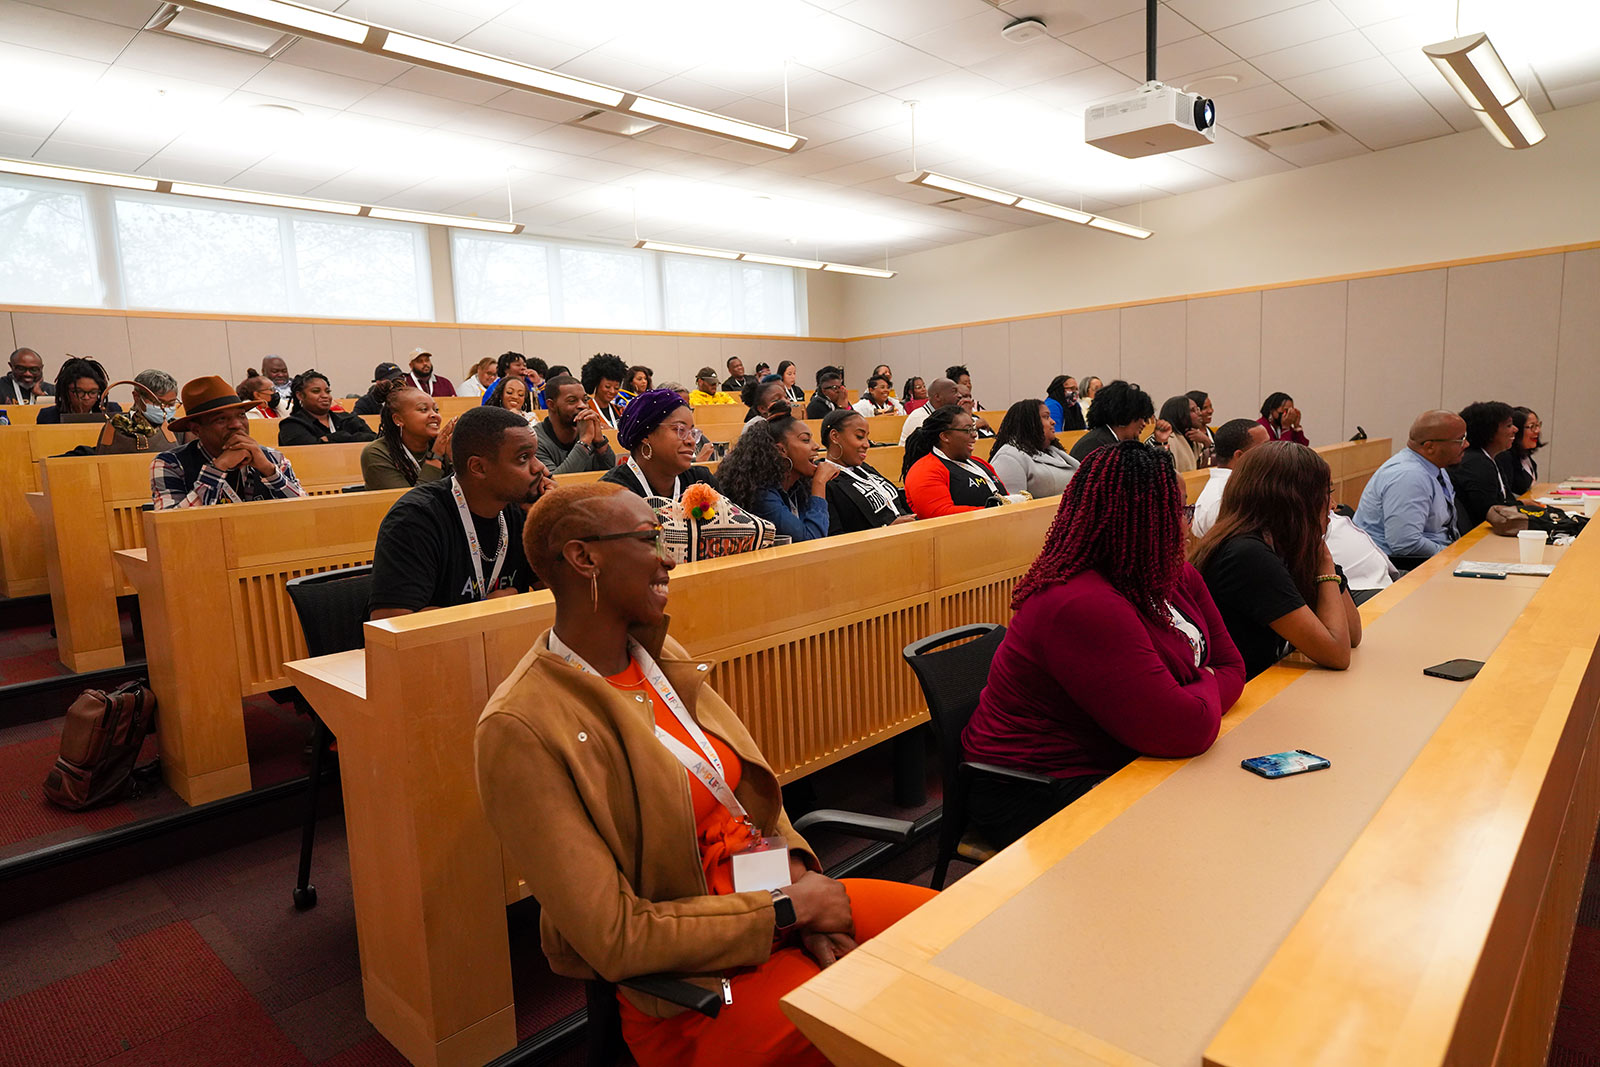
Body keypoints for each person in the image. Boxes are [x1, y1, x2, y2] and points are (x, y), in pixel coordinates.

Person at [475, 482, 936, 1067]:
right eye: (650, 539)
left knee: (958, 940)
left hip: (764, 904)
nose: (669, 556)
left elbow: (745, 813)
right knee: (903, 1025)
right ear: (583, 557)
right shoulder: (521, 726)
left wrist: (795, 885)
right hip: (694, 988)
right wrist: (787, 912)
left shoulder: (661, 659)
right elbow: (616, 936)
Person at [961, 441, 1245, 848]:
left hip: (1122, 753)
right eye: (1178, 512)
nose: (1186, 525)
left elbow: (1234, 665)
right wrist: (1203, 685)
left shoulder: (1174, 575)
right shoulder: (1080, 602)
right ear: (1148, 521)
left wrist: (1193, 692)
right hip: (1036, 787)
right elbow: (1184, 729)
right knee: (1208, 837)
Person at [1191, 442, 1363, 680]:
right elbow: (1337, 653)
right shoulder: (1247, 554)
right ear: (1294, 500)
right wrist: (1324, 563)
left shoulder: (1283, 545)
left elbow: (1354, 634)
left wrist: (1318, 556)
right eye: (1326, 494)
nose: (1333, 506)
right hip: (1242, 699)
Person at [368, 406, 552, 619]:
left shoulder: (522, 511)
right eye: (523, 458)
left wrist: (552, 522)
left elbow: (563, 596)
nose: (539, 468)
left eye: (535, 455)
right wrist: (486, 611)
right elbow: (392, 622)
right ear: (478, 468)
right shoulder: (414, 520)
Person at [151, 375, 305, 509]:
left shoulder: (272, 458)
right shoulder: (171, 464)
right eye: (221, 419)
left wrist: (269, 470)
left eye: (241, 415)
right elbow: (172, 524)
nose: (237, 425)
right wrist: (217, 468)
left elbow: (307, 510)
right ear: (196, 429)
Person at [1354, 410, 1467, 563]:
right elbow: (1406, 544)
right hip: (1402, 567)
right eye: (1460, 440)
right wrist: (1453, 555)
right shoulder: (1409, 476)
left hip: (1433, 558)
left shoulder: (1435, 467)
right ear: (1430, 447)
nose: (1466, 444)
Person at [718, 415, 837, 542]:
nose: (816, 446)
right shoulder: (760, 495)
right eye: (805, 440)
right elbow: (810, 542)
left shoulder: (799, 486)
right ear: (781, 450)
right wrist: (819, 484)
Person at [602, 389, 720, 502]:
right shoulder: (612, 493)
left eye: (692, 433)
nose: (691, 441)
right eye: (680, 429)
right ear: (646, 435)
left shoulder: (701, 481)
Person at [903, 405, 1007, 518]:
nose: (974, 434)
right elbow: (938, 514)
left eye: (973, 428)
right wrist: (997, 510)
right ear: (945, 436)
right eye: (967, 430)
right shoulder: (925, 470)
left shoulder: (979, 463)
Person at [820, 409, 913, 534]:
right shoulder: (825, 480)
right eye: (859, 437)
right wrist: (885, 532)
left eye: (867, 437)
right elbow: (835, 537)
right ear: (835, 436)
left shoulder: (864, 468)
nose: (867, 444)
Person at [361, 381, 454, 490]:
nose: (434, 415)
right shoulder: (376, 453)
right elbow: (409, 504)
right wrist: (435, 456)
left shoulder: (443, 444)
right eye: (423, 409)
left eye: (436, 409)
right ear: (399, 419)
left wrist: (455, 460)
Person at [1190, 419, 1269, 537]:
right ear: (1240, 456)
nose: (1272, 451)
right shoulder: (1221, 500)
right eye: (1265, 448)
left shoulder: (1246, 486)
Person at [1449, 401, 1518, 531]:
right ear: (1489, 432)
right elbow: (1488, 512)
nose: (1515, 429)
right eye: (1508, 426)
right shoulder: (1476, 464)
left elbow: (1506, 500)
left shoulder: (1490, 458)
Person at [988, 399, 1078, 499]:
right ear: (1030, 423)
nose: (1053, 422)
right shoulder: (1008, 458)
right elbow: (1011, 505)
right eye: (1046, 417)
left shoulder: (1053, 450)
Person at [538, 374, 617, 475]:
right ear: (551, 405)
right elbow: (556, 483)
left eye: (585, 400)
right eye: (572, 401)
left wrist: (600, 441)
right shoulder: (536, 441)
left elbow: (611, 474)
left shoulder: (588, 429)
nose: (582, 406)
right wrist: (584, 441)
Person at [1069, 380, 1164, 461]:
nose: (1143, 423)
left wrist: (1160, 443)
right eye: (1141, 417)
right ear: (1125, 415)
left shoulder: (1116, 442)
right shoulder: (1095, 446)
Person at [278, 370, 379, 446]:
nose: (325, 396)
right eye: (316, 391)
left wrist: (335, 438)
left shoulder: (348, 419)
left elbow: (375, 439)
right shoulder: (291, 425)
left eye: (327, 391)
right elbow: (310, 451)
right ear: (300, 395)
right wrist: (351, 438)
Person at [38, 357, 121, 424]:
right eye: (79, 392)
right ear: (65, 391)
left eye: (93, 392)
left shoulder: (113, 411)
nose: (86, 397)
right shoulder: (47, 416)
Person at [661, 382, 717, 462]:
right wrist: (697, 462)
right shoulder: (662, 439)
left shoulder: (696, 436)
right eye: (680, 407)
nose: (686, 411)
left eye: (688, 406)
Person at [1496, 407, 1543, 497]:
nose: (1537, 431)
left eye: (1537, 425)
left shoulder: (1525, 456)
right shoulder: (1505, 457)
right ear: (1517, 430)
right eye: (1531, 426)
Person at [898, 377, 958, 444]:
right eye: (954, 392)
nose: (959, 395)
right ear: (937, 397)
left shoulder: (949, 414)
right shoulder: (919, 418)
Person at [1157, 395, 1207, 472]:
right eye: (1193, 410)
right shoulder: (1167, 440)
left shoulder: (1196, 437)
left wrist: (1207, 442)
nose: (1199, 413)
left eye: (1198, 409)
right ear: (1179, 415)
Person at [582, 353, 630, 429]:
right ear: (596, 385)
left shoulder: (619, 410)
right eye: (607, 387)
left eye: (616, 388)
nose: (612, 391)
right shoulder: (586, 410)